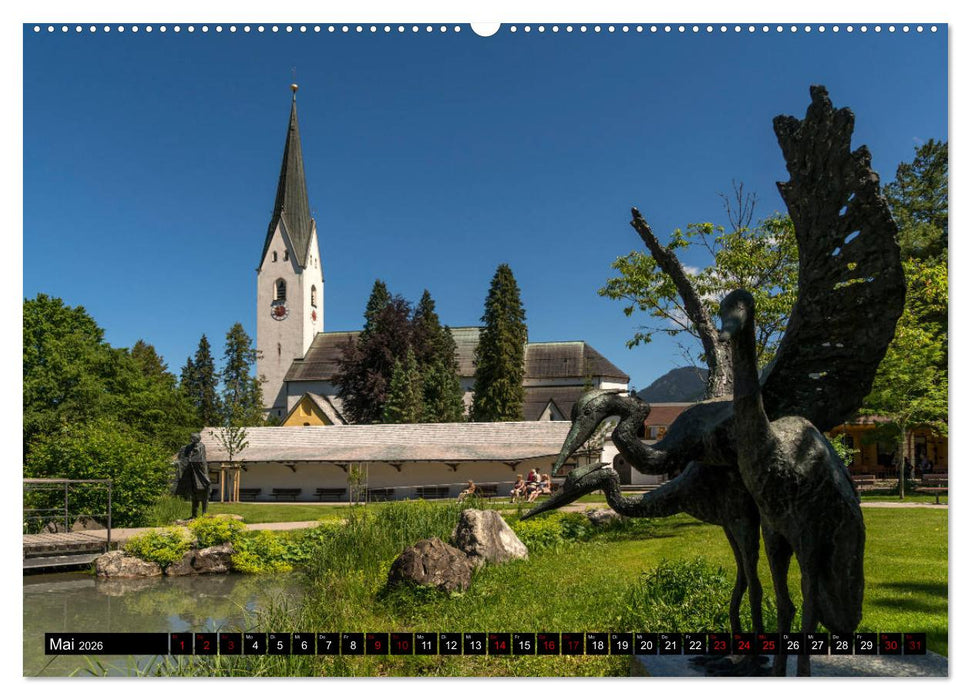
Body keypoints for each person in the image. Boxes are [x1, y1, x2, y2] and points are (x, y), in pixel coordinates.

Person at [174, 433, 211, 518]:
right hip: (192, 475)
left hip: (201, 474)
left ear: (197, 439)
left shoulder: (201, 446)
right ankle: (194, 515)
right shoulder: (187, 447)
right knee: (194, 497)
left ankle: (204, 514)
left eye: (192, 438)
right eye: (191, 438)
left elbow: (199, 459)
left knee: (204, 495)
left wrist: (195, 451)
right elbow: (183, 459)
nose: (191, 439)